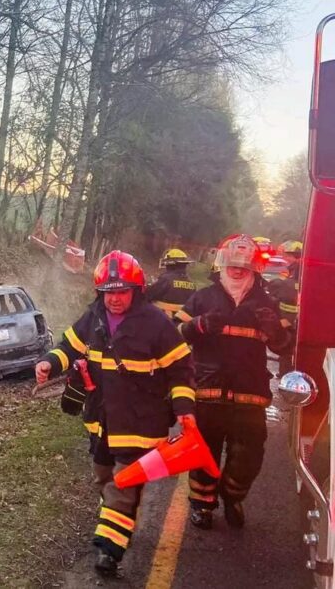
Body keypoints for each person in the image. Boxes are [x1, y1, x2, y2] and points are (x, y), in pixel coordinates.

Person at [35, 250, 196, 576]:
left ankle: (109, 553)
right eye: (109, 292)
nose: (114, 299)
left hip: (141, 424)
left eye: (121, 292)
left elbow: (181, 370)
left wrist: (184, 410)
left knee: (122, 486)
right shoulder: (93, 317)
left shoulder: (156, 324)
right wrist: (49, 363)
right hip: (102, 421)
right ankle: (116, 517)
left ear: (136, 289)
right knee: (104, 479)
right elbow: (69, 346)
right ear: (100, 292)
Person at [175, 234, 292, 530]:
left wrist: (276, 333)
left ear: (254, 269)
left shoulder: (267, 303)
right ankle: (202, 505)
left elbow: (285, 348)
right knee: (203, 454)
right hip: (207, 390)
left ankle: (232, 495)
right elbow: (175, 334)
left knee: (249, 457)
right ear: (222, 264)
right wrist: (197, 325)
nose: (237, 270)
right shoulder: (202, 298)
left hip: (250, 394)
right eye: (233, 264)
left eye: (244, 266)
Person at [267, 240, 303, 376]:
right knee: (286, 345)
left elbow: (292, 291)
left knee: (287, 345)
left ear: (297, 256)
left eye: (288, 256)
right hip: (288, 315)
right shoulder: (293, 269)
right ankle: (284, 373)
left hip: (291, 316)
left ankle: (286, 374)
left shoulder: (299, 270)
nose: (286, 258)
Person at [146, 248, 198, 319]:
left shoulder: (166, 280)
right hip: (181, 324)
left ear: (170, 264)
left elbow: (148, 295)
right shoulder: (192, 284)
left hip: (162, 321)